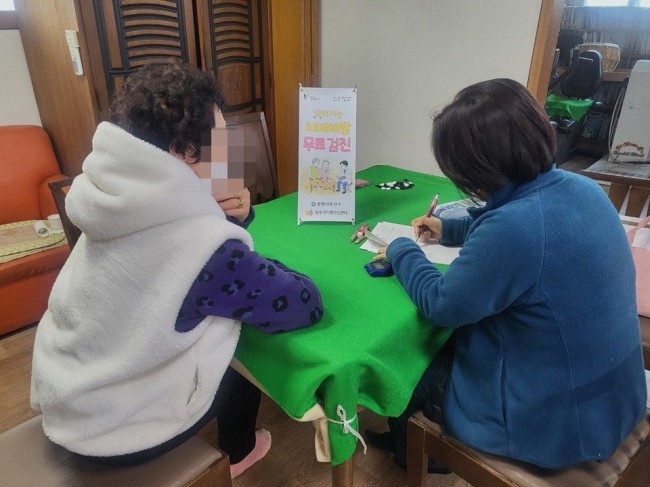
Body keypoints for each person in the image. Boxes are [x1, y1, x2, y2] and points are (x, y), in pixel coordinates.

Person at [30, 60, 324, 478]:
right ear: (182, 153)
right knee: (238, 353)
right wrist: (232, 237)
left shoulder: (113, 205)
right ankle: (239, 452)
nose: (231, 155)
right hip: (115, 434)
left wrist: (227, 219)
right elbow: (304, 302)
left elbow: (175, 274)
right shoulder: (206, 250)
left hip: (69, 399)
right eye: (221, 142)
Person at [366, 78, 647, 471]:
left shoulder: (513, 229)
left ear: (474, 168)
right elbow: (523, 225)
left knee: (410, 361)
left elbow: (442, 304)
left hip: (554, 426)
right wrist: (450, 229)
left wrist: (401, 250)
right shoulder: (584, 187)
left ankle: (414, 455)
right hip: (612, 401)